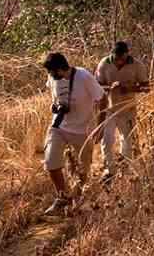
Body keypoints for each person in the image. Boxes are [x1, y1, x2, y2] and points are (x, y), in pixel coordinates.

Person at [40, 51, 105, 216]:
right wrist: (54, 106)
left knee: (83, 171)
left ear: (60, 68)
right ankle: (62, 198)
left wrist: (100, 125)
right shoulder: (53, 78)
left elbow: (102, 99)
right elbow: (54, 97)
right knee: (50, 161)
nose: (50, 75)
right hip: (59, 126)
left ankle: (78, 200)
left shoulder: (84, 77)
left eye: (52, 72)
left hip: (83, 130)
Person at [95, 41, 147, 179]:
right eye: (116, 59)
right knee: (107, 140)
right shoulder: (104, 64)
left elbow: (146, 87)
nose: (118, 62)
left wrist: (127, 88)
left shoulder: (137, 65)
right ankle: (109, 170)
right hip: (109, 109)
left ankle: (125, 169)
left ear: (127, 55)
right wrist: (111, 87)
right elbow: (97, 86)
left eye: (121, 59)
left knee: (128, 140)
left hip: (128, 108)